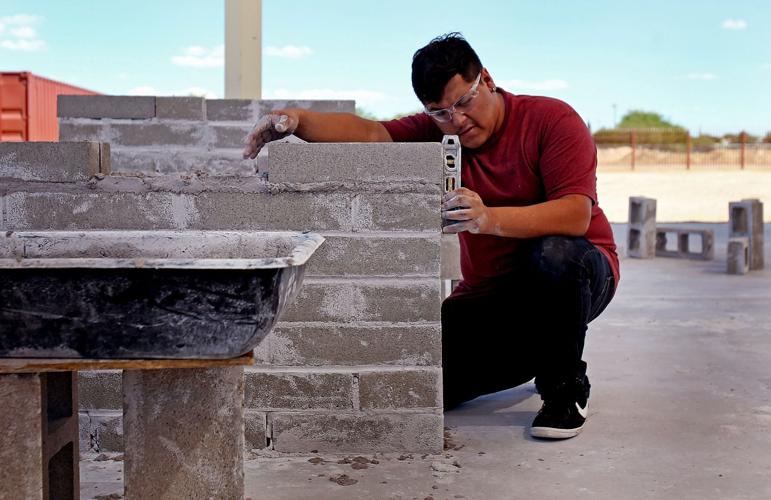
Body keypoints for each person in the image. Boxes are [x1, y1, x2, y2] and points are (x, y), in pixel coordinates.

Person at [243, 33, 619, 440]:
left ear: (486, 80)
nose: (455, 121)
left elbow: (575, 215)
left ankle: (563, 388)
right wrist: (296, 119)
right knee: (425, 381)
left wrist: (487, 219)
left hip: (576, 276)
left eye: (463, 103)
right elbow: (371, 135)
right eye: (440, 112)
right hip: (491, 293)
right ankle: (541, 349)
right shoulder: (440, 133)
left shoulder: (552, 120)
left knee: (554, 254)